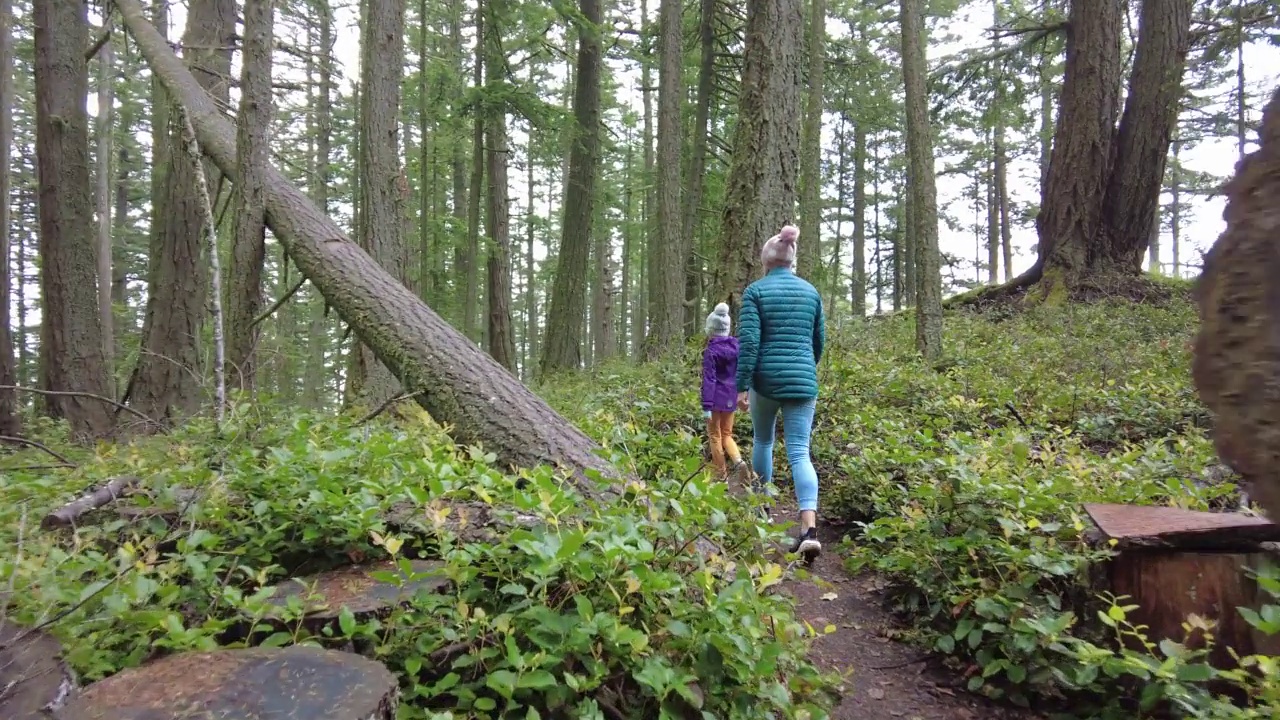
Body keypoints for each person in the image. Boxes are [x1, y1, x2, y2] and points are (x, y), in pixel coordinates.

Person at [735, 224, 826, 561]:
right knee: (800, 451)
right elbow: (818, 343)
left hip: (765, 381)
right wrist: (803, 367)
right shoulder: (811, 292)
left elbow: (750, 344)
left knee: (763, 442)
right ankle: (809, 529)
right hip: (804, 381)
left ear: (766, 260)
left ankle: (762, 512)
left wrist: (742, 385)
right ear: (791, 259)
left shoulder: (755, 292)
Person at [702, 303, 750, 481]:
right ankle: (738, 461)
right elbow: (742, 372)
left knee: (715, 435)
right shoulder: (736, 348)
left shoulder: (711, 351)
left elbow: (709, 379)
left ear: (711, 328)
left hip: (715, 399)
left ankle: (720, 475)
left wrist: (706, 405)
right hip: (731, 397)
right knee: (727, 434)